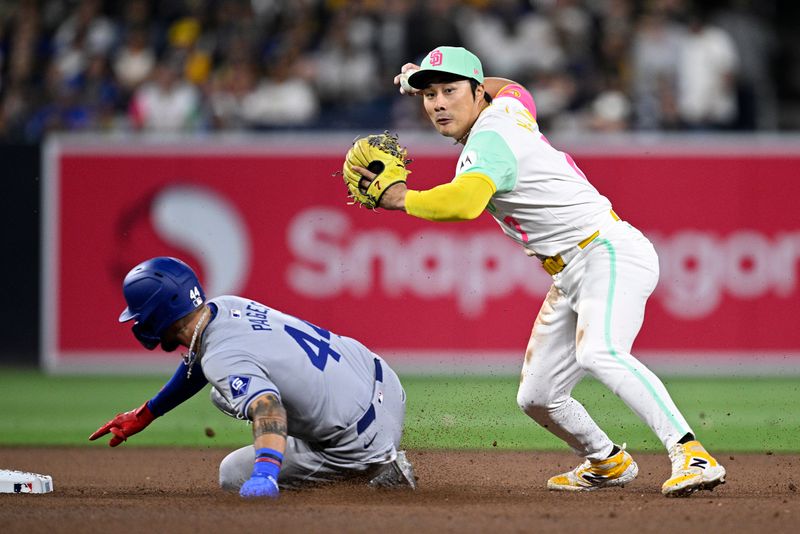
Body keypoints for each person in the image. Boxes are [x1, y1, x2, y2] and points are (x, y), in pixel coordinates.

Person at [349, 46, 725, 497]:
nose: (439, 103)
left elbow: (464, 203)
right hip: (571, 271)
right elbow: (512, 87)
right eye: (430, 95)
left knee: (599, 352)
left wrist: (400, 198)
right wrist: (426, 78)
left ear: (475, 93)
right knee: (538, 396)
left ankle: (691, 453)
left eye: (451, 91)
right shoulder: (506, 106)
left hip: (606, 252)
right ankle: (605, 460)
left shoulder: (488, 140)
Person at [89, 256, 415, 498]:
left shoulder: (221, 357)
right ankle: (375, 455)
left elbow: (268, 407)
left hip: (361, 443)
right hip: (382, 382)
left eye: (139, 314)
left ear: (156, 314)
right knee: (228, 390)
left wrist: (265, 474)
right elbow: (202, 360)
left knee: (233, 473)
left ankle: (381, 473)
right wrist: (147, 413)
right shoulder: (225, 306)